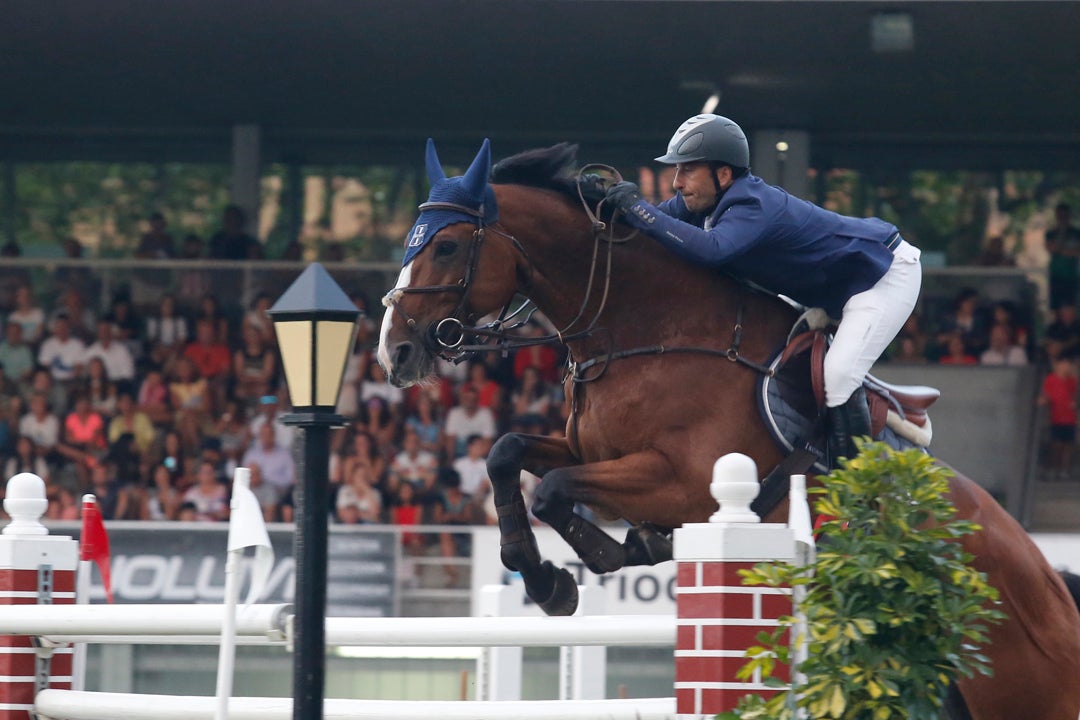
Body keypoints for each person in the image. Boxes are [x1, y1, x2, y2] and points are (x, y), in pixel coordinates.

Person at [598, 114, 922, 462]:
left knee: (839, 375)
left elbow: (710, 250)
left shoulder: (753, 204)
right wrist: (602, 203)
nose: (677, 183)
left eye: (687, 170)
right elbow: (654, 229)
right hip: (834, 287)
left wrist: (638, 209)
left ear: (723, 175)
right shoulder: (702, 200)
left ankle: (857, 494)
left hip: (882, 277)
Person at [1039, 355, 1078, 480]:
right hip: (1055, 418)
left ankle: (1064, 470)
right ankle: (1052, 469)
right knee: (1056, 445)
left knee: (1067, 446)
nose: (1066, 367)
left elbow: (1075, 396)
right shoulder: (1050, 380)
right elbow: (1046, 395)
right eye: (1063, 364)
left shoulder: (1072, 381)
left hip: (1070, 418)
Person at [1046, 203, 1080, 310]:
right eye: (1060, 215)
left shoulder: (1076, 233)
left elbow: (1078, 252)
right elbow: (1051, 249)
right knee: (1055, 307)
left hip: (1071, 275)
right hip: (1056, 275)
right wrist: (1062, 234)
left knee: (1071, 305)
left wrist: (1060, 250)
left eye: (1065, 215)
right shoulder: (1051, 233)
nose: (1062, 218)